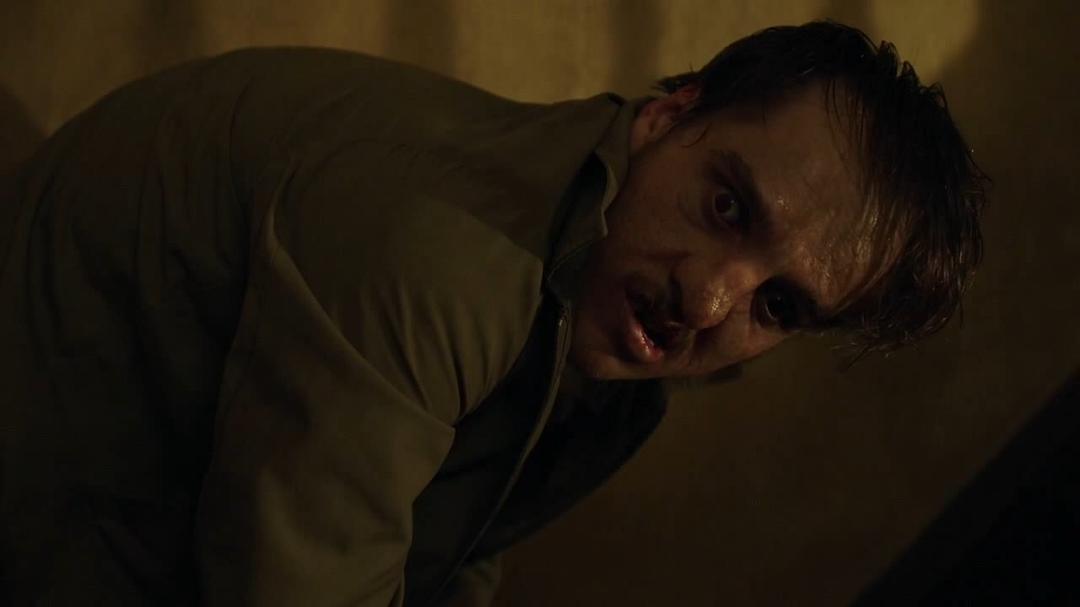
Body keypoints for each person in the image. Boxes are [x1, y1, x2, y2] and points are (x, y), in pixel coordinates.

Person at [0, 20, 986, 607]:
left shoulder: (609, 362)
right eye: (728, 207)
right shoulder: (445, 247)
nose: (709, 299)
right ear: (669, 115)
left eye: (778, 303)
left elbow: (456, 557)